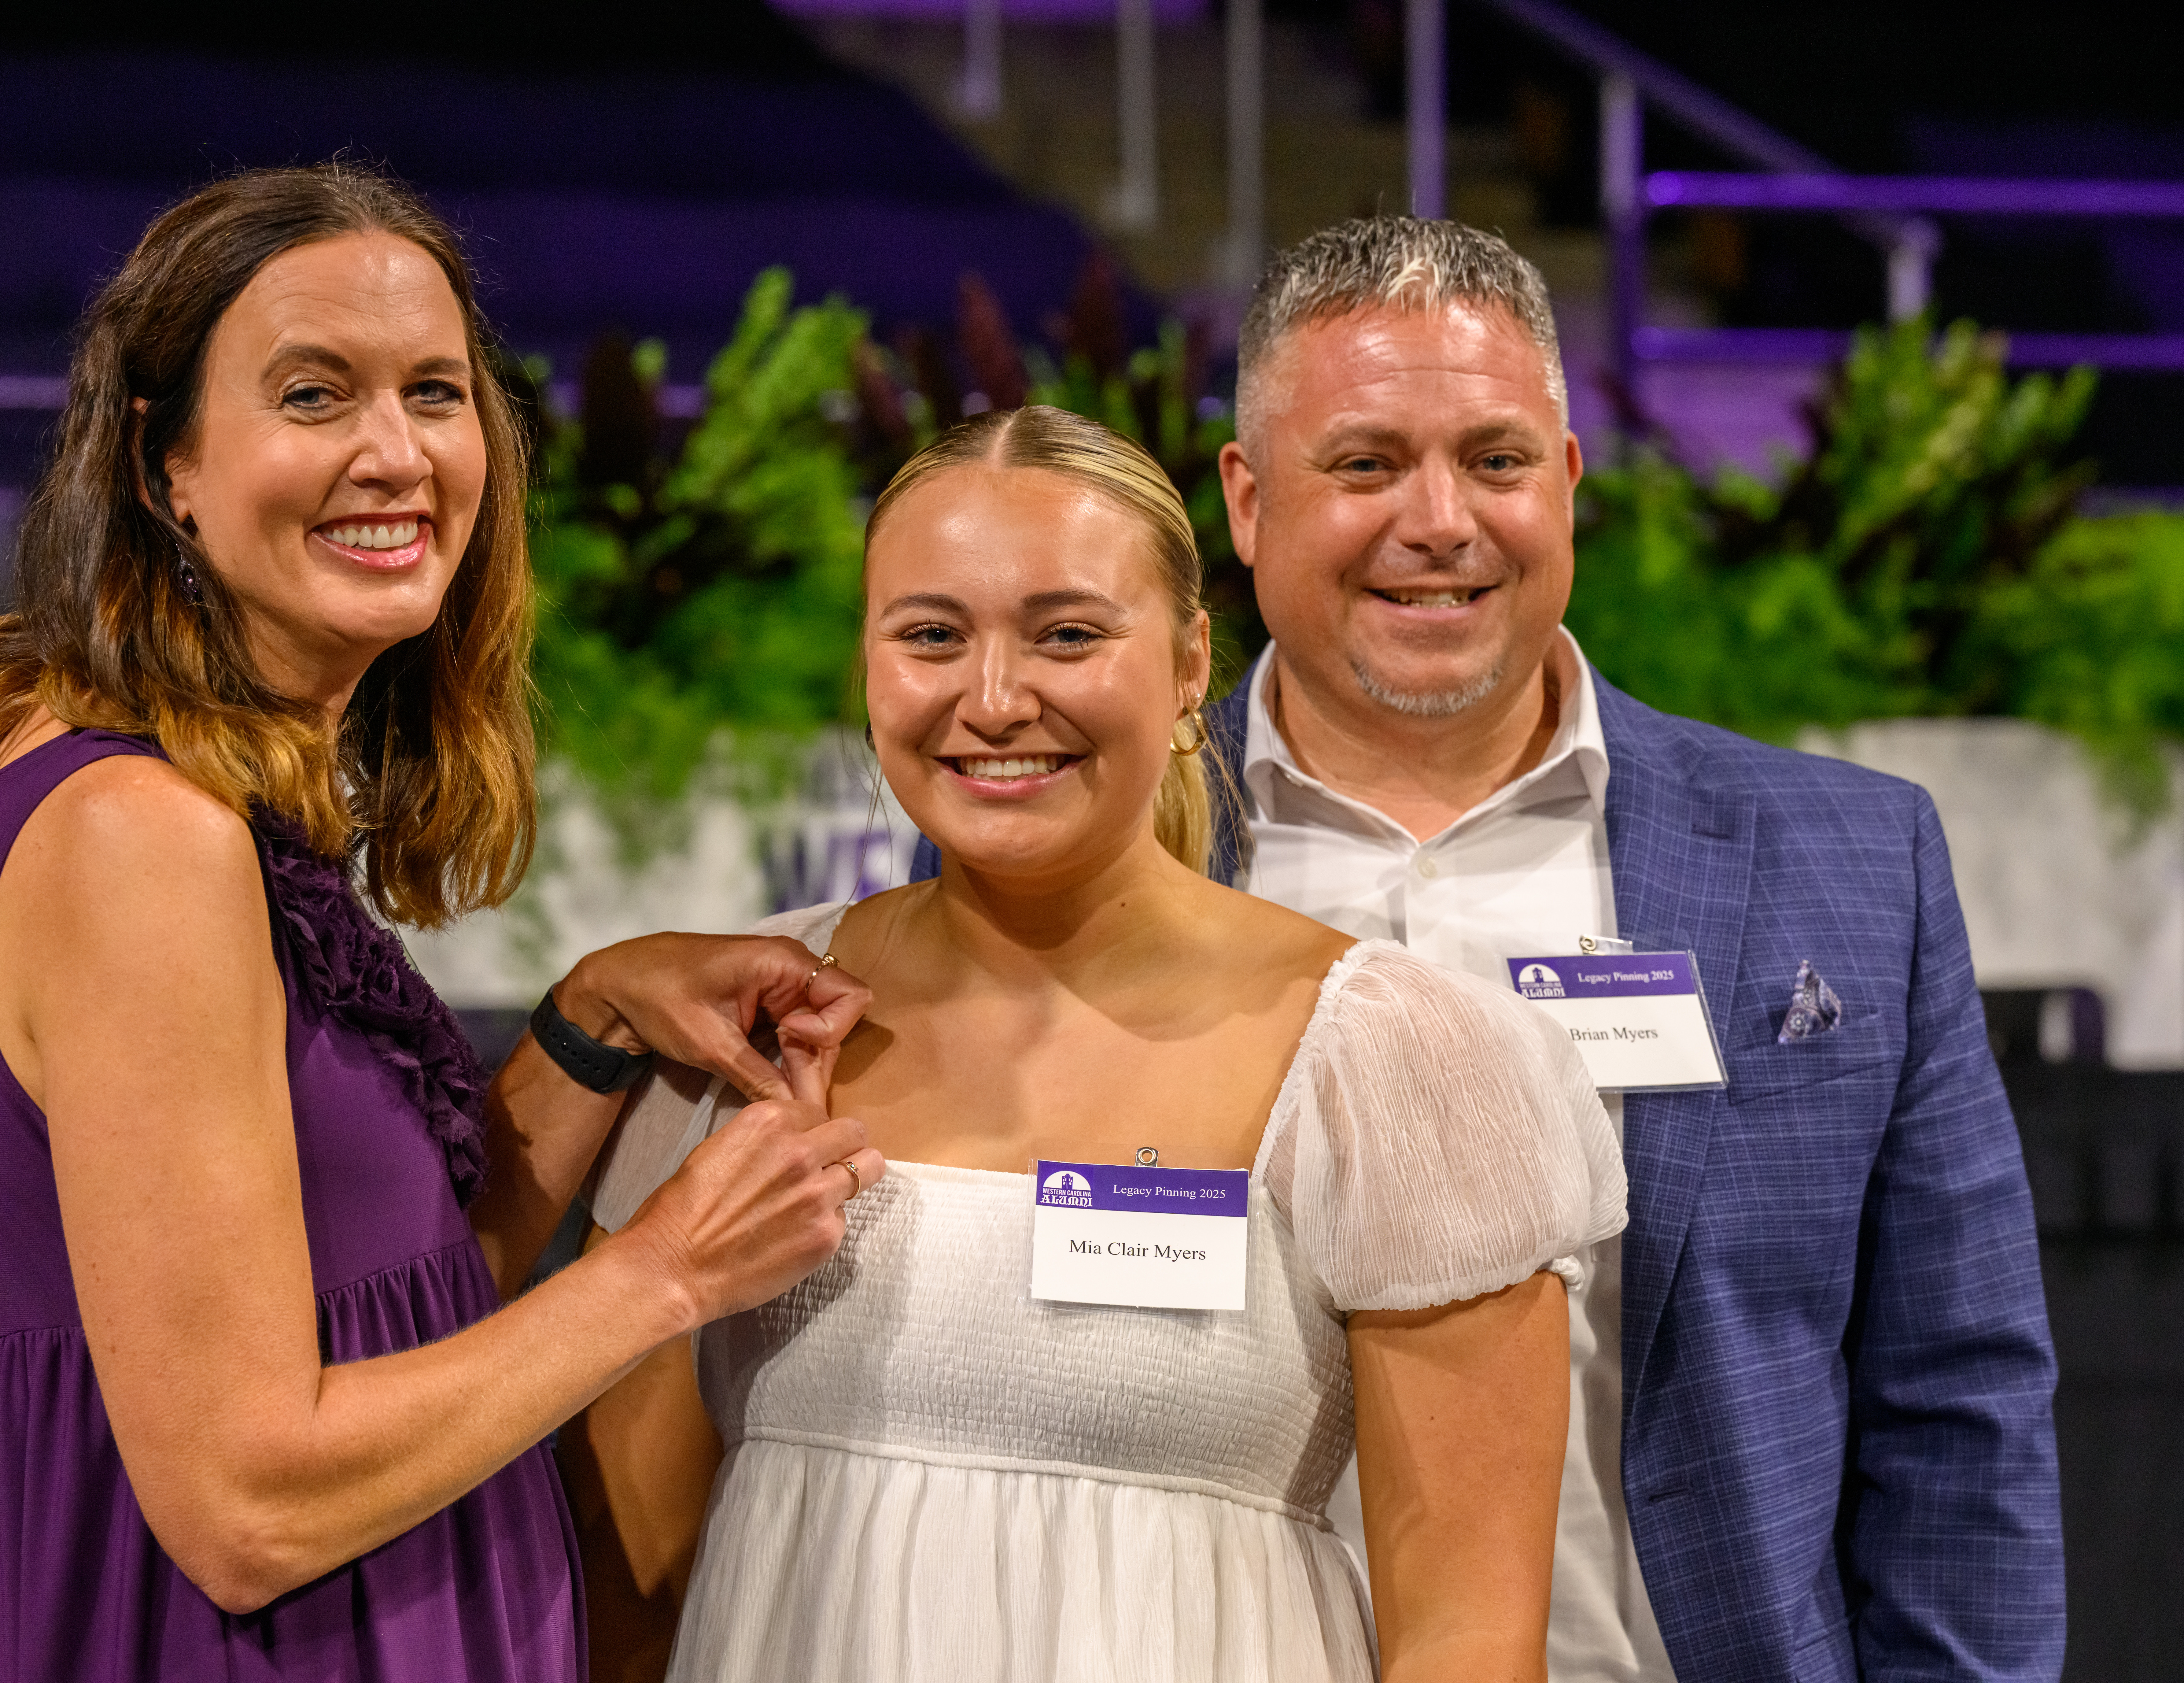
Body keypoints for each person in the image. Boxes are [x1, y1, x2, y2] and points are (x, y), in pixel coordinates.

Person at [0, 164, 884, 1682]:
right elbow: (249, 1502)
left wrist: (594, 1016)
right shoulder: (141, 838)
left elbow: (395, 1296)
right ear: (166, 465)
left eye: (434, 391)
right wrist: (671, 1268)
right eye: (315, 394)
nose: (396, 453)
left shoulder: (169, 774)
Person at [572, 406, 1627, 1682]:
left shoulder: (1398, 1058)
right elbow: (625, 1587)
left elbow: (1467, 1640)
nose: (994, 700)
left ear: (1189, 664)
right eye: (931, 636)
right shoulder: (730, 1022)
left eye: (1068, 634)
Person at [1199, 217, 2063, 1680]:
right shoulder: (1104, 863)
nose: (1441, 521)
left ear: (1568, 478)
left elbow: (1961, 1393)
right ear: (1248, 497)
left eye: (1495, 459)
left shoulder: (1850, 860)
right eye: (1366, 464)